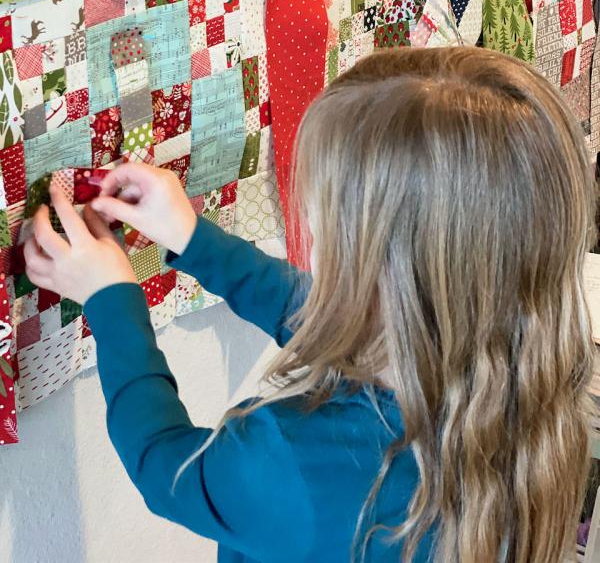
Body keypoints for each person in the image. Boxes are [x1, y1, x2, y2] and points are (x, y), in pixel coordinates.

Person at [24, 47, 596, 563]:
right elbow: (334, 321)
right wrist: (195, 241)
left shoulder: (291, 462)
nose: (313, 252)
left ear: (379, 281)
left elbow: (163, 468)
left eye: (322, 234)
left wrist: (110, 300)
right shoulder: (535, 401)